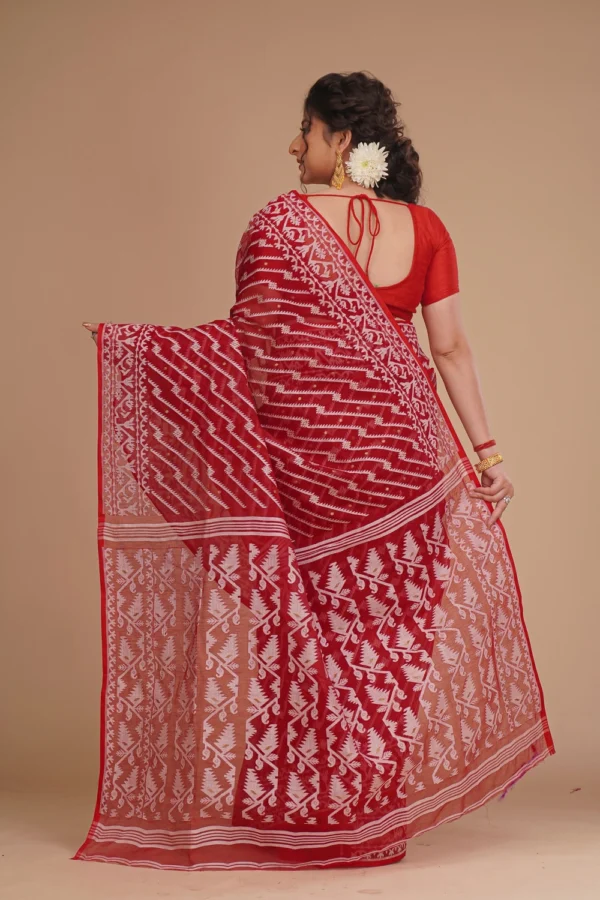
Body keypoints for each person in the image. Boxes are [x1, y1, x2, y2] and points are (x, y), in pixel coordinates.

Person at [78, 71, 554, 872]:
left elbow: (246, 349)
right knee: (391, 643)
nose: (294, 145)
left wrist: (139, 350)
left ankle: (316, 817)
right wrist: (488, 454)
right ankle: (371, 819)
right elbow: (449, 350)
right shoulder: (427, 228)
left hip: (307, 464)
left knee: (311, 636)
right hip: (405, 461)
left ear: (343, 139)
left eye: (306, 129)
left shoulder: (279, 224)